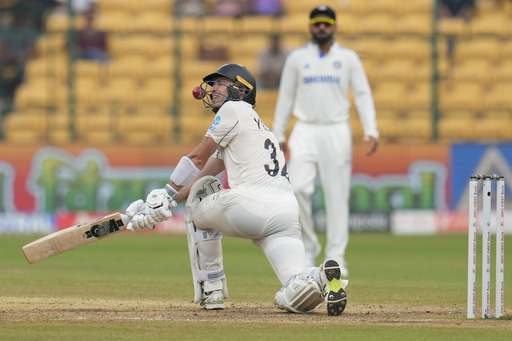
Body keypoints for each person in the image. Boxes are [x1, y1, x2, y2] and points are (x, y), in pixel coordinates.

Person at [124, 63, 348, 316]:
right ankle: (321, 276)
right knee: (293, 288)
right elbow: (208, 169)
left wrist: (164, 193)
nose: (214, 88)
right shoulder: (259, 127)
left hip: (250, 205)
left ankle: (212, 288)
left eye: (222, 83)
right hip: (286, 213)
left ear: (241, 92)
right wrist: (170, 199)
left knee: (202, 196)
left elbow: (197, 158)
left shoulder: (234, 109)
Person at [272, 5, 379, 275]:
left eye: (326, 23)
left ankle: (336, 257)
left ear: (335, 27)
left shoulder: (348, 58)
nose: (322, 27)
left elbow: (363, 94)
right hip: (305, 128)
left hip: (336, 129)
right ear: (310, 27)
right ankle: (309, 247)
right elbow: (285, 97)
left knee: (337, 195)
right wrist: (280, 134)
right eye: (317, 23)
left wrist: (371, 129)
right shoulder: (297, 58)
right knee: (297, 189)